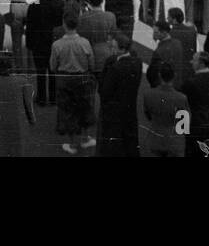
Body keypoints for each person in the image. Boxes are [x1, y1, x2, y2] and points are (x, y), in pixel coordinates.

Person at [50, 11, 96, 154]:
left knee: (67, 109)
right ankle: (86, 137)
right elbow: (91, 64)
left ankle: (72, 143)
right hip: (82, 77)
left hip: (64, 79)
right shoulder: (85, 42)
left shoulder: (57, 45)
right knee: (84, 106)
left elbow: (52, 66)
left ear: (64, 25)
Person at [0, 55, 37, 157]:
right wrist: (32, 119)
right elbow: (28, 104)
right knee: (16, 148)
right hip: (17, 121)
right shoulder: (22, 82)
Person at [98, 31, 142, 157]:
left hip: (114, 110)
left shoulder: (115, 68)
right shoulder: (137, 62)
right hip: (130, 107)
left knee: (115, 144)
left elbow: (105, 91)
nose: (111, 48)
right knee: (130, 139)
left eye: (114, 46)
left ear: (121, 49)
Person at [141, 61, 188, 157]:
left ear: (159, 75)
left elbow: (148, 115)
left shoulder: (148, 95)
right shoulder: (181, 98)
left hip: (156, 139)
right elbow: (185, 123)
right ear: (174, 76)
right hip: (175, 142)